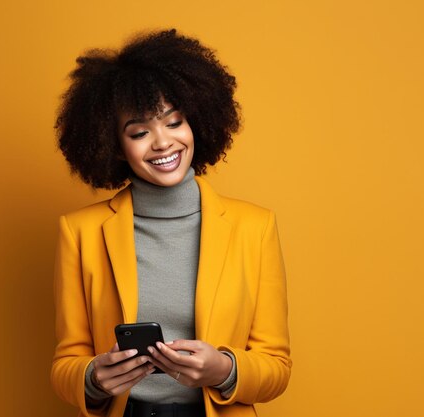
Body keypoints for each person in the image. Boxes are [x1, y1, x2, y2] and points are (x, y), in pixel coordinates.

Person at [51, 29, 291, 417]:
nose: (162, 142)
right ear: (114, 144)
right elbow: (66, 362)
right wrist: (93, 378)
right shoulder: (79, 232)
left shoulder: (254, 227)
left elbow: (277, 367)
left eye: (174, 122)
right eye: (140, 132)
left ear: (196, 122)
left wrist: (225, 370)